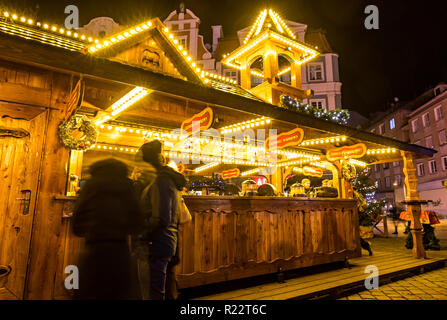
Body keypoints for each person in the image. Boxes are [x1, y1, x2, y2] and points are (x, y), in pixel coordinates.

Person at [72, 158, 143, 300]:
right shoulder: (127, 186)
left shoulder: (91, 184)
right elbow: (137, 223)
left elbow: (77, 225)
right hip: (119, 251)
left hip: (93, 251)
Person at [135, 140, 187, 300]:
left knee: (153, 292)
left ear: (149, 163)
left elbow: (162, 217)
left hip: (156, 244)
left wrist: (141, 232)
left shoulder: (161, 181)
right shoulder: (160, 180)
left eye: (141, 164)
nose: (139, 169)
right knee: (157, 289)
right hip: (161, 242)